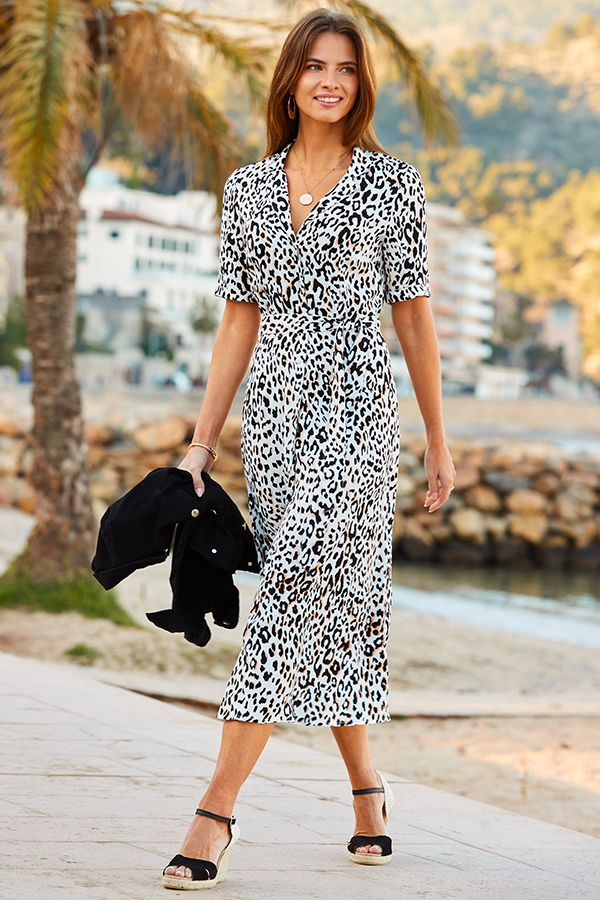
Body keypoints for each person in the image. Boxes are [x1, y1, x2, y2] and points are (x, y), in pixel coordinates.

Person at [163, 7, 455, 890]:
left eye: (347, 68)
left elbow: (413, 317)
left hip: (358, 423)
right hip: (278, 429)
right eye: (315, 65)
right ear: (290, 78)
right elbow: (237, 321)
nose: (331, 79)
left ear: (362, 85)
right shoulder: (247, 190)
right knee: (332, 619)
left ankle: (214, 813)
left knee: (290, 602)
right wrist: (202, 442)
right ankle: (369, 794)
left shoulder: (391, 185)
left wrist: (439, 440)